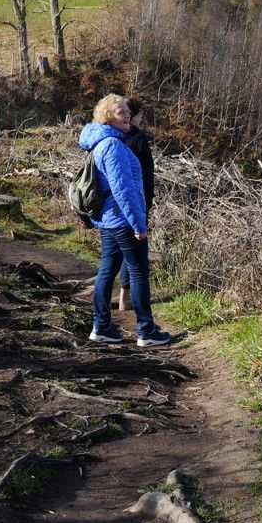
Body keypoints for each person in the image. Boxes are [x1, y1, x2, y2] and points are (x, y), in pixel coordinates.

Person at [79, 93, 171, 348]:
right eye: (121, 112)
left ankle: (101, 327)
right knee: (139, 271)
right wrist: (139, 224)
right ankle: (146, 331)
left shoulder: (99, 142)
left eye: (127, 111)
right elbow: (124, 191)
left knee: (107, 269)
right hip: (122, 220)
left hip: (109, 220)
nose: (127, 115)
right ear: (108, 117)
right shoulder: (113, 146)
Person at [117, 98, 155, 311]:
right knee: (136, 252)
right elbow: (148, 173)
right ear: (135, 115)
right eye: (140, 114)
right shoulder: (139, 138)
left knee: (118, 250)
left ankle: (111, 300)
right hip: (137, 199)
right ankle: (127, 298)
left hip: (114, 202)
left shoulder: (112, 136)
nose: (141, 118)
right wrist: (149, 200)